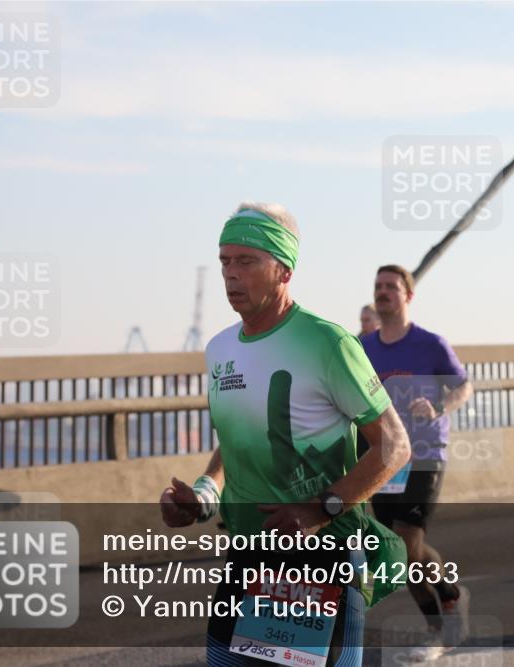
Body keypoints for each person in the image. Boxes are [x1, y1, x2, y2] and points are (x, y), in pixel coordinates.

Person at [160, 202, 412, 667]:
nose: (231, 274)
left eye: (246, 261)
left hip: (321, 560)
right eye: (225, 261)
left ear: (284, 270)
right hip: (248, 554)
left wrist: (320, 508)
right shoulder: (219, 349)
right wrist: (203, 496)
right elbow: (238, 439)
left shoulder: (327, 342)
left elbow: (394, 445)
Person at [360, 264, 474, 662]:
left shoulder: (430, 344)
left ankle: (438, 631)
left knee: (406, 547)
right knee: (400, 547)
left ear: (408, 295)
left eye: (391, 286)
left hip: (424, 454)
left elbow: (463, 386)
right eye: (378, 286)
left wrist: (439, 406)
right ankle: (450, 593)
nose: (383, 291)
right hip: (382, 458)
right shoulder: (364, 347)